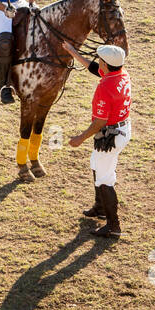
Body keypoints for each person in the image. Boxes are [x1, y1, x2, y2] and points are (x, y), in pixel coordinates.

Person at [60, 39, 131, 238]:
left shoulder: (105, 88)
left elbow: (99, 121)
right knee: (95, 164)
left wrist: (79, 138)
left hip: (110, 135)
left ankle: (113, 226)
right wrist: (73, 52)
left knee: (105, 179)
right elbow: (94, 68)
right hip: (122, 128)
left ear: (106, 64)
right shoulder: (121, 73)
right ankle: (100, 208)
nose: (97, 61)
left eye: (99, 60)